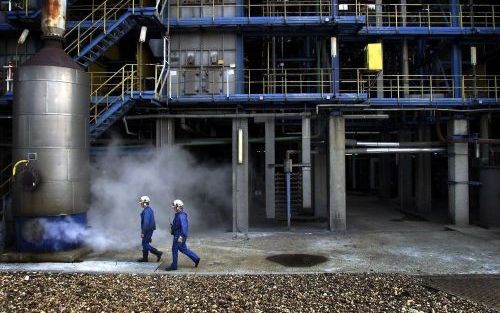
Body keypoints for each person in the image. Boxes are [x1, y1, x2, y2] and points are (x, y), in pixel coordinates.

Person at [165, 199, 200, 271]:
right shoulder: (179, 215)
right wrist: (173, 227)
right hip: (178, 235)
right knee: (183, 249)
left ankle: (174, 266)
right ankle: (196, 258)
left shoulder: (181, 216)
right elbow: (178, 225)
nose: (174, 208)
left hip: (179, 236)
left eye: (174, 207)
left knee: (174, 249)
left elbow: (184, 228)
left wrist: (181, 237)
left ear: (178, 207)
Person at [137, 195, 163, 262]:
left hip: (147, 230)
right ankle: (145, 258)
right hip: (149, 230)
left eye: (141, 203)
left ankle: (158, 253)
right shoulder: (149, 209)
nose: (140, 204)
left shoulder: (146, 211)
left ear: (145, 203)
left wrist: (143, 232)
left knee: (145, 244)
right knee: (145, 243)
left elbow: (146, 222)